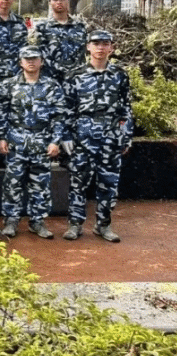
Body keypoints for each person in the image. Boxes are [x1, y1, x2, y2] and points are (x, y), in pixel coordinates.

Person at [62, 30, 134, 243]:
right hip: (83, 135)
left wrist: (126, 136)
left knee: (108, 182)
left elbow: (126, 108)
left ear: (111, 47)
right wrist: (66, 135)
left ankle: (103, 225)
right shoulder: (75, 75)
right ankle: (75, 224)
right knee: (79, 181)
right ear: (88, 47)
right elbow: (67, 108)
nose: (100, 47)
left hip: (111, 135)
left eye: (105, 43)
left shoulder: (120, 75)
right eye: (96, 43)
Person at [0, 46, 67, 239]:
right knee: (12, 183)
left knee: (40, 184)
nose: (31, 62)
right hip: (16, 140)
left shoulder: (52, 86)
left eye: (35, 58)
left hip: (41, 140)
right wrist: (1, 137)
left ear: (41, 62)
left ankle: (37, 221)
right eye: (26, 59)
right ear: (20, 62)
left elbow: (59, 116)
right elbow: (1, 113)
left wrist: (55, 141)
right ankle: (11, 220)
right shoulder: (9, 85)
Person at [32, 0, 88, 81]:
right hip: (51, 78)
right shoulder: (42, 27)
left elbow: (83, 52)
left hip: (76, 78)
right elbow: (40, 53)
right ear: (50, 3)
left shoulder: (80, 26)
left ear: (68, 2)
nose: (59, 2)